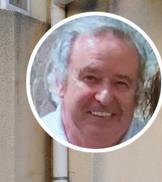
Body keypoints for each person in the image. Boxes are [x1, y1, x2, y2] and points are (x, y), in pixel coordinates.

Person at [42, 16, 155, 149]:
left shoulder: (157, 148)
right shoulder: (32, 138)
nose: (105, 98)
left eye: (120, 83)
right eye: (91, 78)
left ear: (137, 95)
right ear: (60, 82)